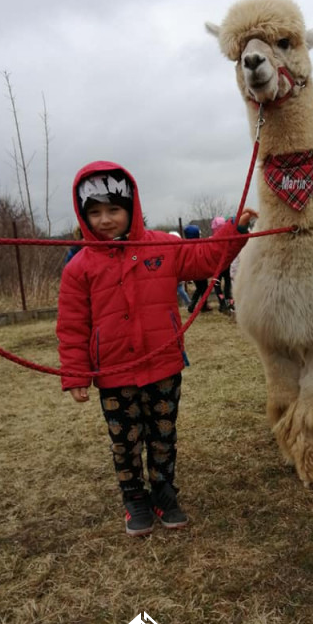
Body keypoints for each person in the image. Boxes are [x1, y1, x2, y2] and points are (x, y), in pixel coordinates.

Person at [57, 161, 255, 536]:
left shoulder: (163, 246)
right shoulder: (78, 267)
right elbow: (71, 326)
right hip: (113, 373)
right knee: (125, 440)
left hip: (163, 364)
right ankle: (134, 496)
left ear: (131, 208)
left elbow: (205, 257)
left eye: (113, 209)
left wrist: (237, 230)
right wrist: (75, 374)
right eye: (94, 212)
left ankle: (163, 492)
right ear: (83, 216)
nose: (104, 219)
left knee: (163, 434)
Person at [183, 224, 212, 313]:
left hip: (193, 270)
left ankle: (196, 305)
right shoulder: (198, 245)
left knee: (200, 288)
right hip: (200, 269)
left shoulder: (186, 245)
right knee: (203, 288)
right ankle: (200, 305)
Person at [210, 216, 234, 313]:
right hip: (227, 265)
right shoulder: (228, 239)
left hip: (218, 266)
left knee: (217, 285)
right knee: (227, 284)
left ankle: (222, 303)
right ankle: (229, 302)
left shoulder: (213, 239)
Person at [168, 230, 192, 308]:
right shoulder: (173, 251)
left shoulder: (176, 251)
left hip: (176, 274)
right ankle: (186, 302)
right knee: (179, 290)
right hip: (172, 274)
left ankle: (187, 302)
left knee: (180, 290)